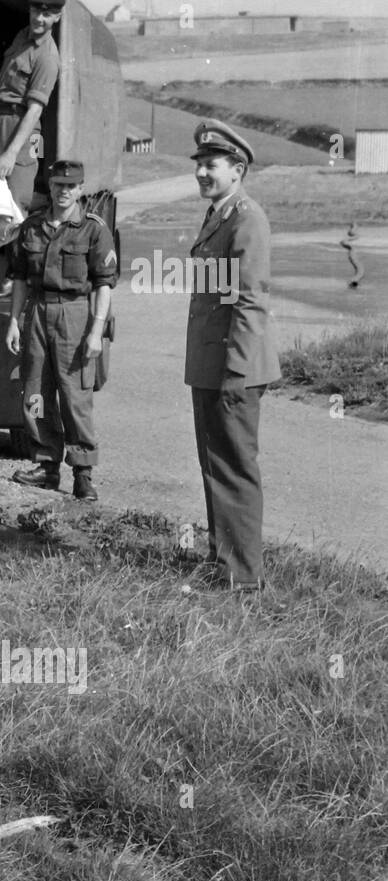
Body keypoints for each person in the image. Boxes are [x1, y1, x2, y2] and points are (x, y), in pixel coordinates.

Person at [184, 120, 281, 591]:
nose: (202, 172)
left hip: (232, 367)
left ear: (237, 169)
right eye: (199, 164)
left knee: (234, 469)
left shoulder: (247, 218)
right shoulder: (219, 213)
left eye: (212, 165)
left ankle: (242, 577)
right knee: (215, 465)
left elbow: (249, 301)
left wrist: (236, 372)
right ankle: (223, 561)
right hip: (211, 364)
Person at [6, 160, 115, 501]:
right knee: (35, 392)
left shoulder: (94, 229)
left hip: (75, 314)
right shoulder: (32, 228)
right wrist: (14, 320)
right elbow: (21, 279)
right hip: (37, 311)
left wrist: (96, 331)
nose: (64, 191)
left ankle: (83, 471)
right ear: (49, 187)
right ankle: (45, 465)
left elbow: (103, 284)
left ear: (81, 189)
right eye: (58, 185)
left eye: (71, 186)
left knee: (75, 395)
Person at [0, 0, 65, 210]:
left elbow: (34, 111)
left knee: (16, 200)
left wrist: (11, 154)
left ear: (56, 18)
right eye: (35, 12)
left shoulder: (47, 57)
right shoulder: (22, 37)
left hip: (24, 132)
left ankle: (16, 242)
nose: (39, 19)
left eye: (47, 15)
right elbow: (6, 85)